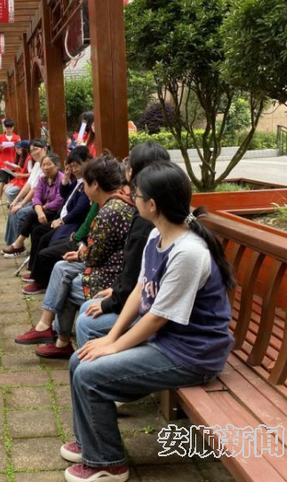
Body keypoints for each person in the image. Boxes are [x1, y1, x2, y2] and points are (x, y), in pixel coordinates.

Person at [60, 160, 234, 482]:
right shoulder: (157, 235)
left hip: (193, 354)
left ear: (152, 204)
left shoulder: (188, 252)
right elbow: (140, 290)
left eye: (136, 194)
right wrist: (110, 337)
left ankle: (109, 463)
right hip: (169, 341)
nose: (130, 196)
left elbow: (155, 319)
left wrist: (114, 347)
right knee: (79, 360)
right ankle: (90, 443)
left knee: (89, 375)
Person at [15, 156, 136, 360]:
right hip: (112, 268)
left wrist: (82, 254)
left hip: (111, 276)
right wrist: (81, 253)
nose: (83, 188)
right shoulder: (115, 204)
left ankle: (57, 337)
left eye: (85, 184)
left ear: (95, 185)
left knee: (66, 286)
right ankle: (52, 333)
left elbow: (96, 258)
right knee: (61, 267)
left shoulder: (109, 212)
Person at [75, 142, 171, 348]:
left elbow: (154, 310)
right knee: (86, 309)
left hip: (165, 328)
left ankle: (86, 359)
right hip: (138, 296)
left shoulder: (147, 225)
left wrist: (113, 345)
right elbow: (139, 279)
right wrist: (115, 291)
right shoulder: (153, 225)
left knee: (85, 320)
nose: (128, 197)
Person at [21, 146, 92, 294]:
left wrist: (63, 220)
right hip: (63, 218)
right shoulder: (78, 181)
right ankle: (35, 272)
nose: (74, 169)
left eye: (77, 166)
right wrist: (66, 178)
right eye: (72, 166)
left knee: (45, 239)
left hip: (71, 224)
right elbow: (66, 194)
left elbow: (80, 208)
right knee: (37, 231)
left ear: (87, 161)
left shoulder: (88, 183)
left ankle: (40, 279)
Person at [1, 153, 64, 257]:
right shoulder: (42, 179)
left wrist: (42, 208)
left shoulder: (61, 179)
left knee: (30, 214)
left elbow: (58, 202)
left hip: (56, 212)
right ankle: (33, 258)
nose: (45, 167)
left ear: (57, 165)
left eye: (49, 164)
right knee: (34, 227)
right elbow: (37, 198)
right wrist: (40, 212)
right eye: (43, 165)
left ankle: (18, 244)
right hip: (43, 212)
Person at [3, 139, 49, 254]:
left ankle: (19, 247)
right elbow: (28, 184)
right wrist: (16, 201)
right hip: (33, 200)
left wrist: (22, 204)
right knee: (12, 211)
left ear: (45, 149)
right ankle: (12, 244)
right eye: (31, 151)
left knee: (20, 213)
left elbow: (35, 189)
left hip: (42, 202)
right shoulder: (37, 164)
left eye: (36, 149)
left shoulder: (46, 165)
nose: (33, 153)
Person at [0, 118, 20, 206]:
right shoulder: (0, 137)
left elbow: (20, 150)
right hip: (3, 164)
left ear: (13, 128)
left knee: (13, 182)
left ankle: (10, 198)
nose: (9, 129)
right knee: (3, 182)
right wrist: (0, 147)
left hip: (13, 164)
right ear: (4, 127)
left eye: (10, 127)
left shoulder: (17, 137)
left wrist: (15, 148)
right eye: (7, 127)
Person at [3, 140, 31, 205]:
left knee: (9, 192)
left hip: (25, 181)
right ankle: (14, 204)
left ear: (25, 149)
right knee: (6, 188)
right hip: (20, 179)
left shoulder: (29, 159)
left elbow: (31, 174)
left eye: (19, 148)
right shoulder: (22, 157)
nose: (17, 150)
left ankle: (15, 205)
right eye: (16, 149)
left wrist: (20, 175)